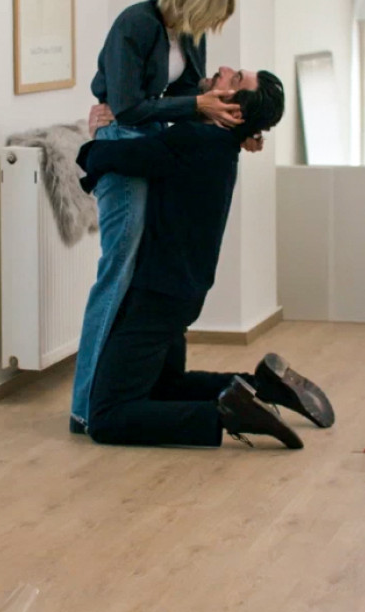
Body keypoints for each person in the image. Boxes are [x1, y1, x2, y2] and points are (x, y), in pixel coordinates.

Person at [76, 67, 336, 449]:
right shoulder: (220, 144)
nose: (223, 71)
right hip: (182, 292)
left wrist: (94, 136)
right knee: (164, 387)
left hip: (156, 294)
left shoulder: (195, 140)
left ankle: (226, 415)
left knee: (107, 417)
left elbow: (115, 156)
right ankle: (261, 387)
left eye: (234, 79)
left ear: (233, 110)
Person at [71, 0, 264, 435]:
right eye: (210, 13)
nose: (209, 27)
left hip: (151, 138)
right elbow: (128, 107)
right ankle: (85, 405)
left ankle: (133, 386)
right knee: (117, 272)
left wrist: (238, 124)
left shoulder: (188, 34)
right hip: (123, 138)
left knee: (139, 267)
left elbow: (186, 92)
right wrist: (197, 104)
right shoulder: (136, 23)